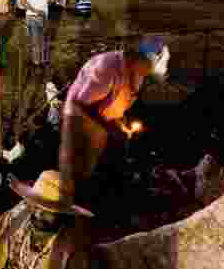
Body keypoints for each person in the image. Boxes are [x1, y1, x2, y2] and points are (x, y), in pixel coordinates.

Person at [58, 37, 170, 199]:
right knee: (74, 171)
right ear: (142, 58)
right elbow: (80, 103)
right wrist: (110, 127)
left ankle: (82, 203)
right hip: (78, 120)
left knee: (89, 169)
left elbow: (117, 103)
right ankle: (64, 203)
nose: (149, 74)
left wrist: (120, 123)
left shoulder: (137, 73)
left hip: (99, 124)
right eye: (150, 68)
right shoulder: (107, 67)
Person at [17, 0, 55, 66]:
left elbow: (22, 2)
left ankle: (36, 61)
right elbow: (52, 0)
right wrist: (43, 5)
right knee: (43, 38)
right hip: (44, 15)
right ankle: (43, 60)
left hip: (31, 16)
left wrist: (34, 10)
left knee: (33, 40)